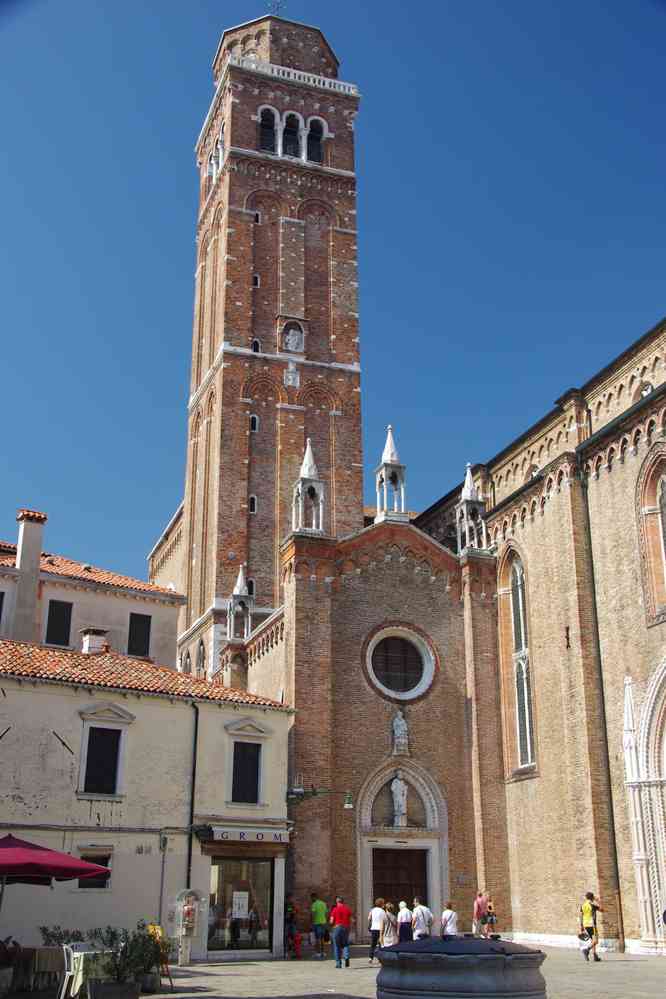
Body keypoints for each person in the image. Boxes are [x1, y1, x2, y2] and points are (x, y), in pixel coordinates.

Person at [579, 891, 604, 962]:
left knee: (592, 940)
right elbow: (602, 910)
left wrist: (581, 926)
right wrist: (598, 901)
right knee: (596, 941)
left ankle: (595, 956)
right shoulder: (592, 905)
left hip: (585, 925)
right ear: (592, 897)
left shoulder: (583, 905)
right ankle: (586, 950)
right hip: (592, 924)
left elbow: (581, 915)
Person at [329, 894, 353, 968]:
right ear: (343, 902)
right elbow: (352, 920)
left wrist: (330, 924)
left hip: (337, 928)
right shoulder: (347, 909)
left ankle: (338, 964)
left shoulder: (335, 909)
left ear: (337, 902)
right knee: (345, 944)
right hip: (346, 928)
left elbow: (331, 921)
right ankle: (346, 957)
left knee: (337, 946)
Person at [310, 891, 328, 959]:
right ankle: (323, 952)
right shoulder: (323, 903)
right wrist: (325, 922)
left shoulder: (314, 904)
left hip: (316, 923)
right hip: (323, 923)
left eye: (311, 898)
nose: (311, 899)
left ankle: (318, 953)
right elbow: (326, 913)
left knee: (317, 939)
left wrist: (311, 923)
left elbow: (313, 914)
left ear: (314, 897)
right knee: (322, 938)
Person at [368, 897, 385, 964]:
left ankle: (370, 958)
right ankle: (380, 958)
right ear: (381, 904)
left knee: (373, 944)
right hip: (380, 929)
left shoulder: (372, 910)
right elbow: (384, 920)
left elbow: (368, 918)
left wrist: (372, 921)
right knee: (380, 944)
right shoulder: (382, 911)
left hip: (373, 928)